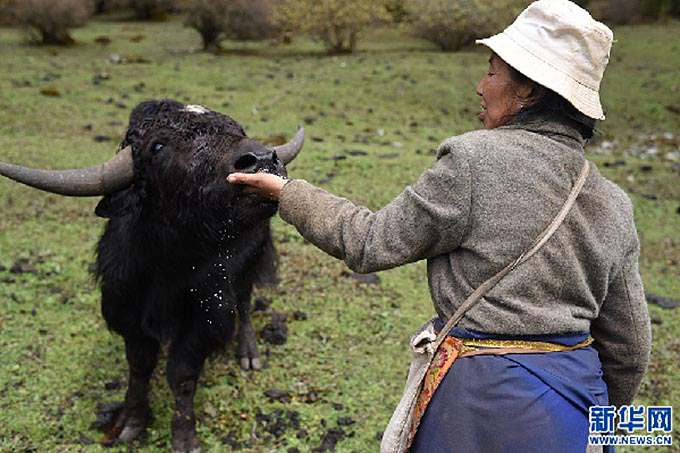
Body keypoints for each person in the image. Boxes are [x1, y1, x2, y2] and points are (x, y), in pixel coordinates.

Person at [228, 0, 652, 451]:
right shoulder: (614, 203)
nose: (480, 87)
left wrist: (286, 192)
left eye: (491, 72)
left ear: (528, 89)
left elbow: (368, 242)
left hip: (477, 408)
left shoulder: (473, 161)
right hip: (578, 410)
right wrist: (590, 420)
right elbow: (630, 349)